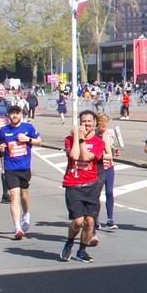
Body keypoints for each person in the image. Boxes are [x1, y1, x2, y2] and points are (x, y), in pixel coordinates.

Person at [59, 109, 108, 263]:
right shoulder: (69, 139)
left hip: (91, 185)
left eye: (89, 121)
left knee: (89, 221)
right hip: (73, 184)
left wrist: (81, 140)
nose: (86, 124)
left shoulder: (99, 142)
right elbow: (74, 156)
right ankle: (69, 242)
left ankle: (82, 250)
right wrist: (77, 137)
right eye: (83, 121)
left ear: (94, 123)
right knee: (78, 221)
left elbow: (86, 157)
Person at [0, 103, 42, 239]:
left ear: (21, 115)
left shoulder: (28, 128)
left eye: (17, 113)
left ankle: (26, 215)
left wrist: (28, 139)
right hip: (10, 168)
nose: (14, 115)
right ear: (9, 115)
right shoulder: (4, 130)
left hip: (24, 168)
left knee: (24, 196)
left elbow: (39, 141)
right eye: (12, 113)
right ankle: (17, 227)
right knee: (14, 196)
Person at [96, 113, 123, 231]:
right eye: (101, 122)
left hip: (109, 166)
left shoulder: (109, 134)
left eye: (106, 122)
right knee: (96, 194)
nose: (104, 124)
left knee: (109, 192)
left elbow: (110, 149)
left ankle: (110, 219)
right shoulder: (94, 134)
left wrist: (114, 151)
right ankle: (95, 218)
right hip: (98, 167)